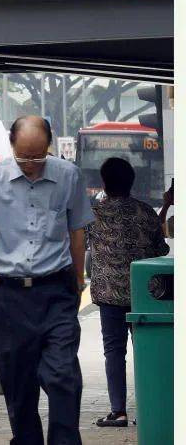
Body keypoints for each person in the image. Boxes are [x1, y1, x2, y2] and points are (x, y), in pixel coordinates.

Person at [0, 116, 94, 445]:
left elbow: (77, 232)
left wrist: (78, 279)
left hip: (56, 291)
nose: (31, 165)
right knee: (19, 386)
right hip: (9, 296)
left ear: (49, 146)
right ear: (11, 145)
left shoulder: (68, 176)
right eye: (23, 156)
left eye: (38, 156)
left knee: (63, 375)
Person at [86, 157, 169, 428]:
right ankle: (153, 406)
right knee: (146, 350)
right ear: (132, 182)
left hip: (110, 295)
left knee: (114, 351)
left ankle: (118, 411)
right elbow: (160, 249)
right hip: (144, 295)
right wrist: (167, 204)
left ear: (105, 183)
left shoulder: (94, 214)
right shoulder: (145, 212)